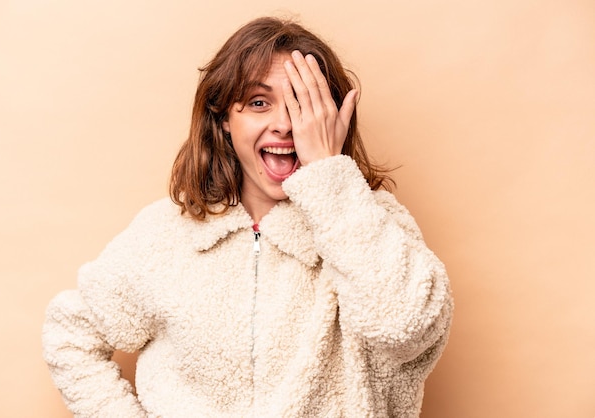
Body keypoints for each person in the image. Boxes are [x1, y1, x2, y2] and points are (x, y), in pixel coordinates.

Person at [42, 16, 453, 418]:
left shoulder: (373, 222)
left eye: (302, 105)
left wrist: (329, 178)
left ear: (330, 120)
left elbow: (408, 331)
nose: (284, 125)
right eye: (259, 103)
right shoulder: (165, 235)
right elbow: (70, 335)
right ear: (223, 120)